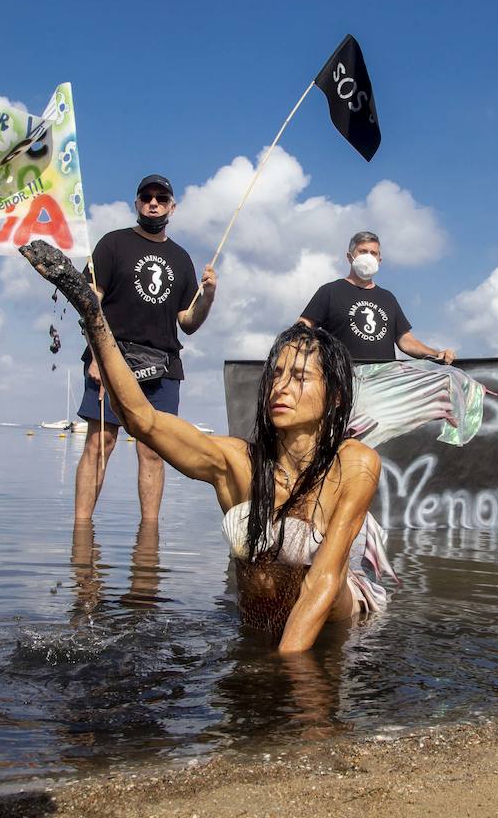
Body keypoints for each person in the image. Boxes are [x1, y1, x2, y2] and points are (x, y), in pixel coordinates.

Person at [20, 239, 392, 652]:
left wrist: (285, 677)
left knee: (321, 579)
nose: (280, 388)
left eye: (300, 378)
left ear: (336, 396)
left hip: (335, 619)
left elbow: (324, 578)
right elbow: (143, 420)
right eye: (276, 375)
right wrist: (93, 315)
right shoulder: (236, 463)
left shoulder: (355, 464)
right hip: (259, 617)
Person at [74, 174, 217, 526]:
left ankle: (148, 544)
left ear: (172, 206)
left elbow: (188, 322)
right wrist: (96, 355)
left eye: (161, 198)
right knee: (100, 444)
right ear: (137, 203)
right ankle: (80, 533)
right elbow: (89, 304)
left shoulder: (182, 259)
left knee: (153, 452)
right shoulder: (112, 244)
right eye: (146, 197)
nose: (153, 203)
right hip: (111, 356)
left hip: (163, 367)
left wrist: (208, 297)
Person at [299, 231, 455, 364]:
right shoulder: (330, 291)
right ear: (350, 257)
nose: (368, 257)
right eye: (363, 251)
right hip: (342, 382)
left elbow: (406, 341)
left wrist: (436, 353)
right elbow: (301, 329)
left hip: (383, 384)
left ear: (379, 260)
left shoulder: (388, 298)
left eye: (373, 253)